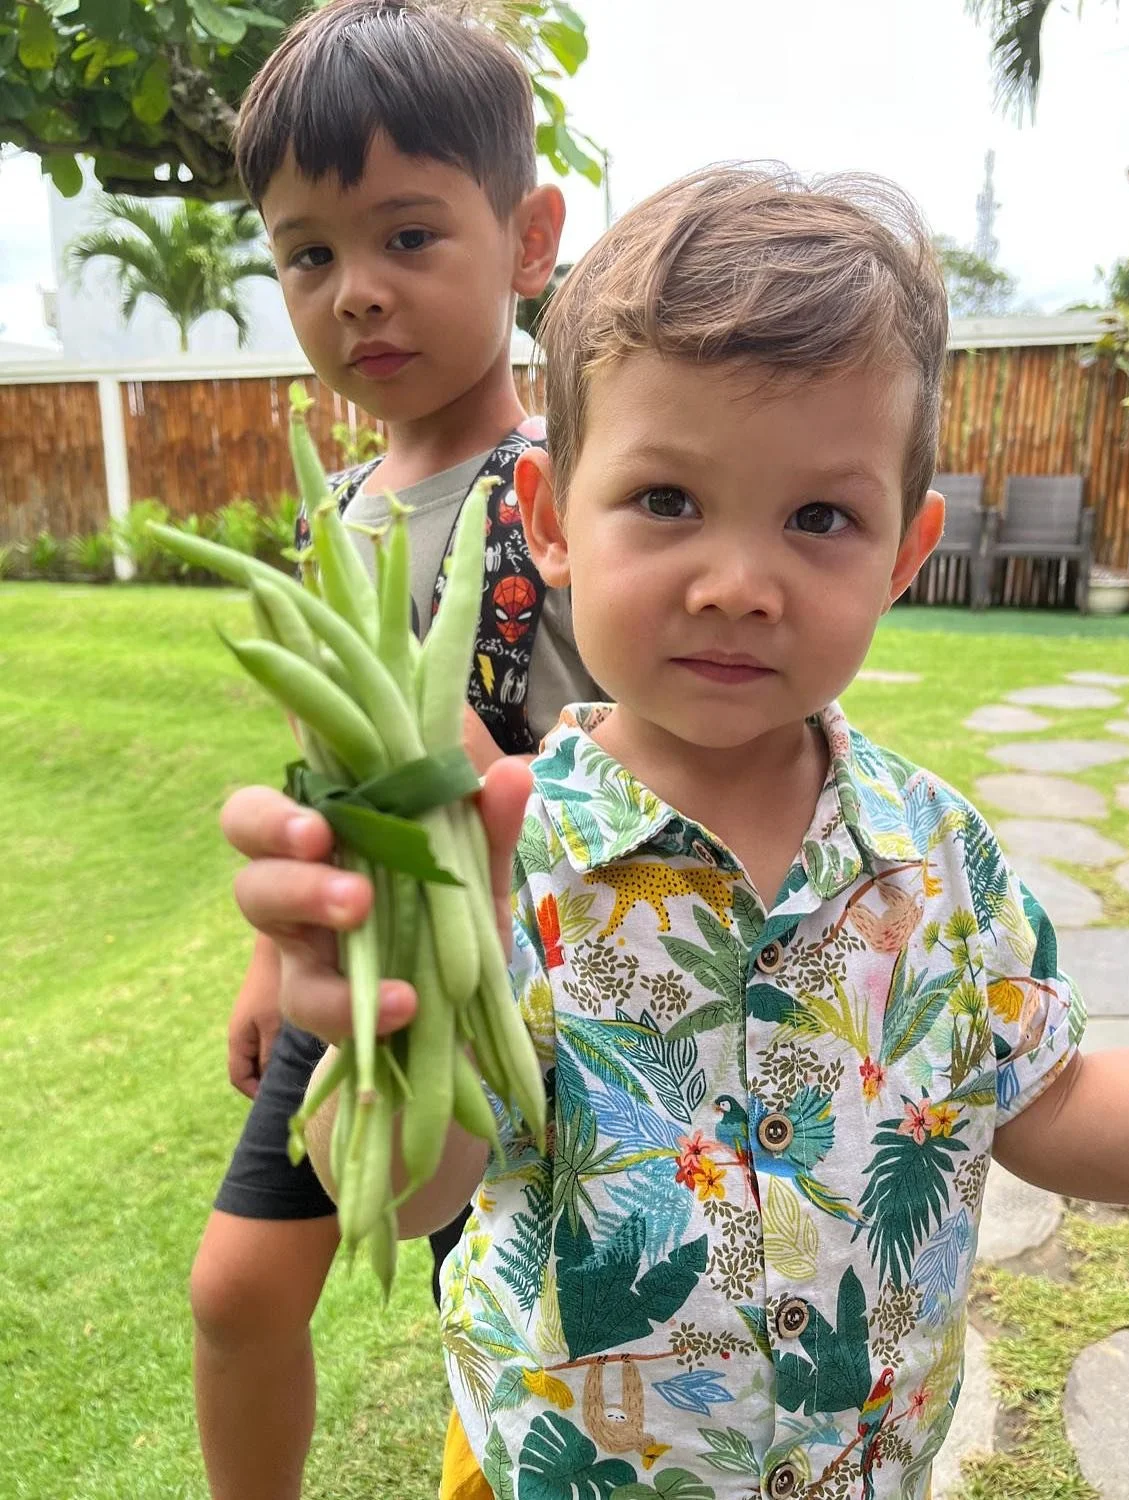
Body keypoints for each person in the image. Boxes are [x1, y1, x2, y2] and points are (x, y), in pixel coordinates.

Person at [225, 165, 1129, 1500]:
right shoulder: (515, 860)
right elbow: (402, 1197)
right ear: (554, 523)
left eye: (820, 518)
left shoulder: (937, 854)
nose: (739, 584)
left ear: (903, 556)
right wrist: (394, 1031)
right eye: (670, 502)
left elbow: (1056, 1100)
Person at [187, 4, 596, 1497]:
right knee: (236, 1292)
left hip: (530, 986)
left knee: (497, 1300)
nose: (357, 292)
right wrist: (260, 959)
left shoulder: (584, 492)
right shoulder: (341, 506)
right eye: (309, 254)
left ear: (529, 237)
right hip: (362, 964)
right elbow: (321, 760)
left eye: (409, 236)